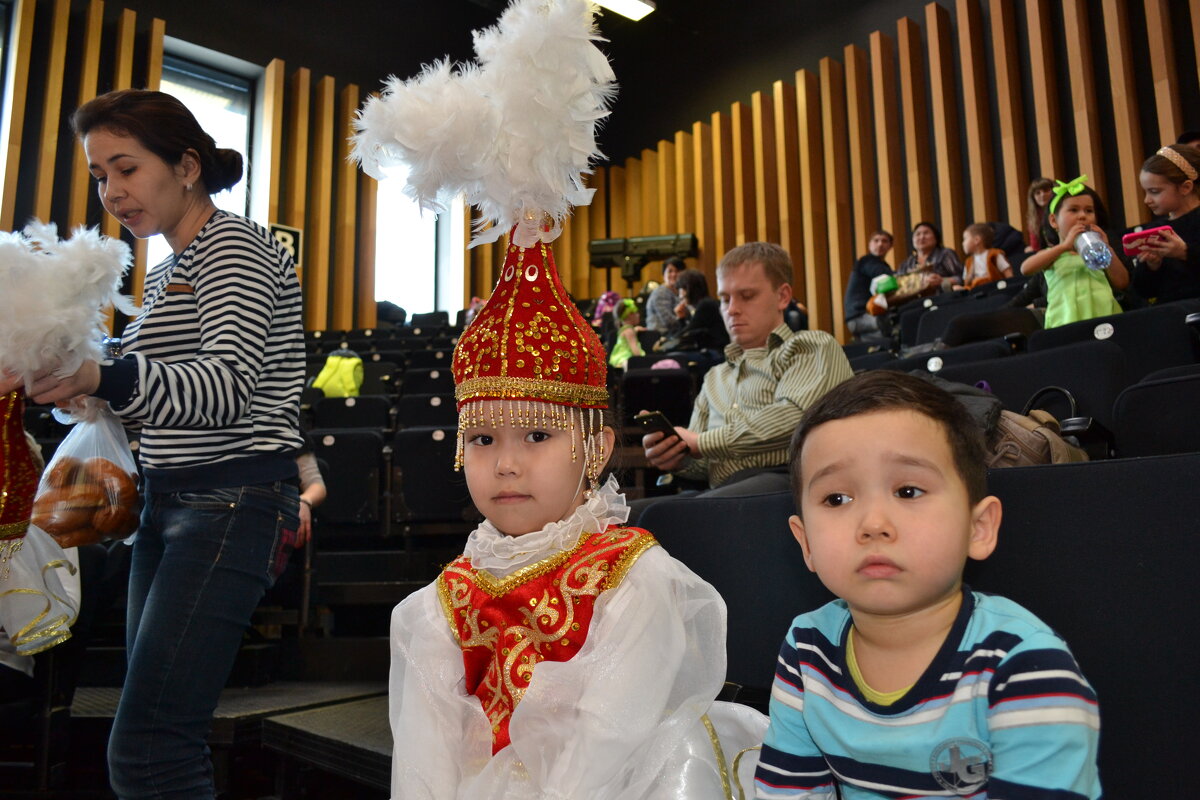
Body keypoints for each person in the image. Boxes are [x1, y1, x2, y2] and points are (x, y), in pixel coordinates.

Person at [0, 89, 305, 798]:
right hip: (168, 505)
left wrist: (103, 373)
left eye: (126, 168)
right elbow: (147, 385)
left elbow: (226, 386)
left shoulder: (234, 247)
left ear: (187, 166)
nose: (112, 191)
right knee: (152, 743)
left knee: (149, 748)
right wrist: (76, 380)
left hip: (231, 501)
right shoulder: (167, 268)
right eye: (100, 176)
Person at [388, 228, 766, 798]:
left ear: (595, 448)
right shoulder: (436, 608)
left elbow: (604, 748)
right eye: (483, 439)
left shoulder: (632, 581)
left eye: (536, 433)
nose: (506, 464)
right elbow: (422, 771)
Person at [754, 371, 1101, 799]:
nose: (873, 524)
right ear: (805, 543)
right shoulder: (808, 647)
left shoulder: (1024, 664)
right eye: (836, 499)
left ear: (978, 528)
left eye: (909, 490)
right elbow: (788, 790)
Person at [640, 242, 852, 502]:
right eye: (725, 299)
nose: (731, 310)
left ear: (783, 296)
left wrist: (701, 442)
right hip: (725, 493)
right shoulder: (714, 377)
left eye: (747, 296)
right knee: (626, 522)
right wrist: (678, 456)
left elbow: (797, 419)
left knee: (682, 517)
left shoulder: (811, 346)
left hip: (792, 486)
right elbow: (704, 463)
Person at [1020, 176, 1127, 328]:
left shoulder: (1097, 251)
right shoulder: (1053, 254)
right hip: (1064, 321)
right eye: (1073, 210)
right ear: (1054, 221)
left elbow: (1121, 282)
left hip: (1105, 319)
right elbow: (1026, 268)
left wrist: (1107, 248)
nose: (1083, 216)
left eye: (1089, 211)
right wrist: (1064, 246)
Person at [1130, 144, 1200, 303]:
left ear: (1185, 187)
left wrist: (1185, 252)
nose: (1147, 200)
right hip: (1169, 313)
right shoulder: (1155, 229)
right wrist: (1151, 266)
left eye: (1154, 192)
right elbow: (1143, 291)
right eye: (1145, 192)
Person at [658, 268, 729, 361]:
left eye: (681, 289)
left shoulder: (706, 305)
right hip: (712, 350)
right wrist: (681, 318)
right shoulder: (704, 304)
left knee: (672, 357)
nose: (680, 295)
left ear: (688, 289)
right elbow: (688, 334)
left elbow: (686, 333)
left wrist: (664, 342)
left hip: (718, 353)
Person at [843, 230, 894, 339]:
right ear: (869, 245)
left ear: (890, 246)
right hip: (860, 316)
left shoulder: (882, 265)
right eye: (876, 241)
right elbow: (881, 273)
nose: (880, 244)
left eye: (884, 241)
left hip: (860, 317)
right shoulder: (866, 261)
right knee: (892, 325)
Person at [896, 221, 963, 289]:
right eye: (918, 234)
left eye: (926, 233)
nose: (922, 237)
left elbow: (961, 277)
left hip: (942, 297)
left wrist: (942, 281)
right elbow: (898, 284)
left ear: (936, 237)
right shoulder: (906, 264)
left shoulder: (945, 254)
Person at [958, 222, 1013, 291]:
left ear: (976, 240)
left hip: (994, 287)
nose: (963, 243)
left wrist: (1010, 286)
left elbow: (1008, 273)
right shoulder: (968, 262)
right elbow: (967, 282)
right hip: (976, 290)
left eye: (965, 239)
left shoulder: (994, 254)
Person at [644, 255, 684, 333]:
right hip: (659, 336)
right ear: (663, 274)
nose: (674, 274)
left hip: (674, 335)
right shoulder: (660, 293)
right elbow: (669, 322)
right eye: (670, 271)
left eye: (677, 271)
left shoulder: (680, 291)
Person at [607, 298, 645, 369]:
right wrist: (644, 361)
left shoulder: (625, 329)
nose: (638, 315)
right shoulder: (629, 331)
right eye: (636, 312)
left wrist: (635, 330)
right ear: (630, 315)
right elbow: (635, 350)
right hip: (625, 359)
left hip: (618, 358)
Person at [1025, 177, 1054, 252]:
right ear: (1033, 198)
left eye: (1046, 190)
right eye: (1038, 193)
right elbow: (1035, 247)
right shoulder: (1034, 217)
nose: (1042, 195)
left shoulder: (1061, 211)